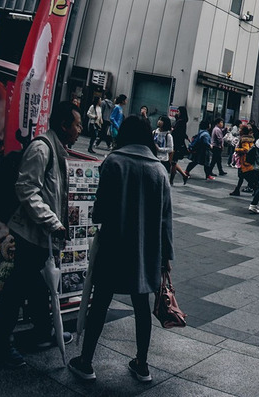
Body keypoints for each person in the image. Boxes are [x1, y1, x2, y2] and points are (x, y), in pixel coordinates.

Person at [67, 115, 172, 384]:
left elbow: (99, 212)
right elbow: (165, 220)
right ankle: (142, 364)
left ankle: (86, 361)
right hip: (147, 251)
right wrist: (165, 257)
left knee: (101, 301)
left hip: (114, 245)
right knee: (141, 305)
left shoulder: (113, 163)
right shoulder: (160, 171)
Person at [0, 105, 83, 367]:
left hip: (43, 235)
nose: (80, 129)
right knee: (18, 287)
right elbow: (27, 190)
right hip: (32, 232)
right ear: (64, 125)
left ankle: (43, 330)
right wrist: (52, 221)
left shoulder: (58, 149)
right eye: (77, 124)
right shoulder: (42, 148)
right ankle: (0, 343)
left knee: (38, 285)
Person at [229, 123, 255, 196]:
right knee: (243, 176)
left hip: (243, 161)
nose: (239, 130)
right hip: (246, 161)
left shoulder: (244, 139)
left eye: (240, 129)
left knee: (244, 176)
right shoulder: (250, 138)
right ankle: (237, 190)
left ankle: (255, 189)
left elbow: (246, 149)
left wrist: (237, 149)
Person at [152, 115, 180, 182]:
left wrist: (159, 149)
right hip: (153, 157)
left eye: (161, 120)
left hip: (163, 159)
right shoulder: (154, 132)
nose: (159, 121)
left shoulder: (168, 135)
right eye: (159, 119)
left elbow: (170, 149)